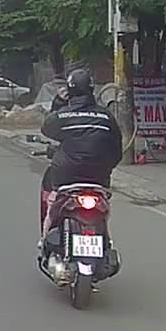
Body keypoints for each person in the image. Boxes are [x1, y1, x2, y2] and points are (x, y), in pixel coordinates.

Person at [38, 69, 122, 237]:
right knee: (103, 207)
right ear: (92, 89)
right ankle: (105, 240)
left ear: (70, 90)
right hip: (99, 177)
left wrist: (59, 102)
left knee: (52, 196)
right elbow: (116, 151)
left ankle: (46, 235)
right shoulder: (106, 117)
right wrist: (105, 167)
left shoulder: (63, 115)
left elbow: (46, 128)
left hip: (66, 176)